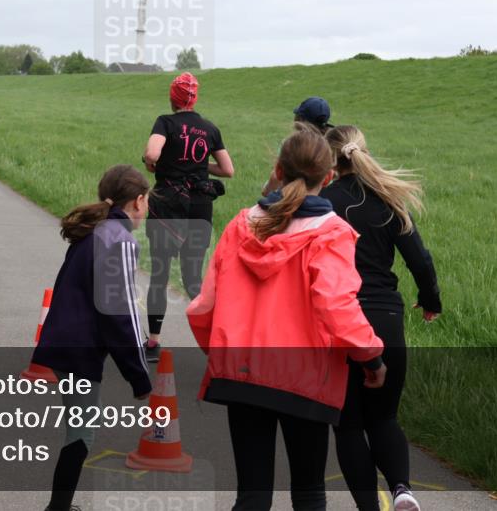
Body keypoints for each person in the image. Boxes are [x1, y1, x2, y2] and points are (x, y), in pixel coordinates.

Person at [187, 129, 385, 511]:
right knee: (309, 492)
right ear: (328, 178)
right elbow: (336, 305)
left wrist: (222, 354)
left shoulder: (241, 226)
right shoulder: (332, 233)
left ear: (277, 170)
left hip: (241, 372)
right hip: (305, 377)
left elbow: (204, 307)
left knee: (252, 494)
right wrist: (370, 358)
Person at [321, 126, 442, 511]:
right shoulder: (388, 199)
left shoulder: (321, 202)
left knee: (349, 423)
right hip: (385, 316)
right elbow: (420, 260)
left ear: (329, 159)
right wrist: (430, 300)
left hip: (338, 318)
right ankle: (403, 489)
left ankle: (368, 507)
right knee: (385, 416)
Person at [31, 164, 153, 511]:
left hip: (65, 340)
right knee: (81, 434)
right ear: (139, 202)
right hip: (80, 348)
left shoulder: (96, 231)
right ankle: (58, 507)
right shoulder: (120, 240)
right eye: (147, 202)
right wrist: (139, 374)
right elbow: (121, 314)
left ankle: (60, 505)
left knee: (77, 430)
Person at [141, 72, 234, 362]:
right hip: (199, 207)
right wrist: (200, 168)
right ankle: (214, 343)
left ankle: (154, 342)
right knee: (193, 276)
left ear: (172, 97)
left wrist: (153, 162)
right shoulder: (209, 128)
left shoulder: (165, 122)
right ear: (195, 98)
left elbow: (153, 154)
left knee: (160, 273)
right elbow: (228, 170)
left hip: (168, 205)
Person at [262, 96, 335, 197]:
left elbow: (276, 177)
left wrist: (267, 191)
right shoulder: (330, 148)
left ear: (299, 119)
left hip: (289, 200)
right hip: (321, 201)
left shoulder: (291, 144)